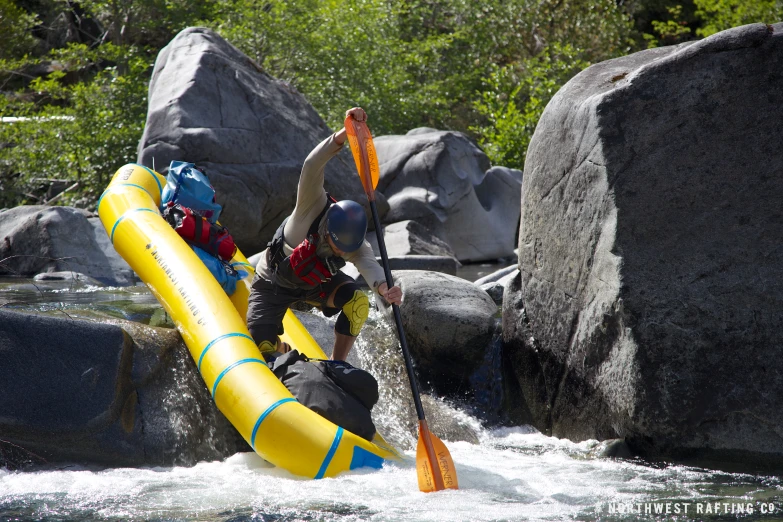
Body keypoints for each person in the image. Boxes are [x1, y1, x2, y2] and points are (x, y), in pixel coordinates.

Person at [247, 107, 402, 361]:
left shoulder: (356, 244)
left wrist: (386, 289)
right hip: (272, 283)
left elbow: (372, 270)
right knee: (263, 346)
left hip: (313, 287)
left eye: (346, 249)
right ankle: (279, 346)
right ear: (328, 228)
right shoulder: (312, 204)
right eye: (336, 245)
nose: (341, 252)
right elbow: (312, 164)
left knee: (358, 304)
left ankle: (337, 365)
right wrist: (345, 133)